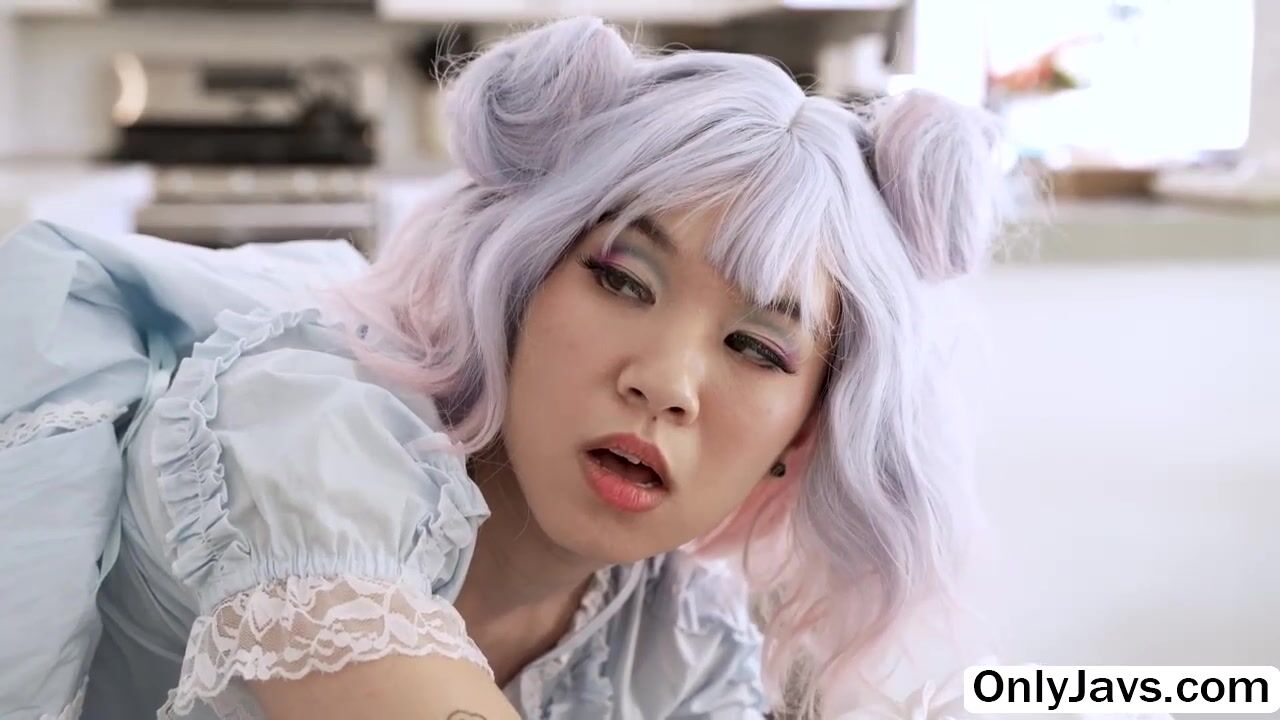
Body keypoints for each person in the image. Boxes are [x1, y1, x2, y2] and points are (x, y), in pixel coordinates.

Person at [0, 15, 1016, 720]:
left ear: (805, 432)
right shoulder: (313, 431)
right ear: (517, 287)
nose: (665, 382)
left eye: (755, 348)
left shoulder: (674, 639)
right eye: (621, 280)